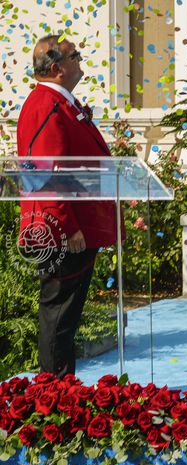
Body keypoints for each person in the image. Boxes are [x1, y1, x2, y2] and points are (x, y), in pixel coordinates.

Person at [16, 35, 117, 378]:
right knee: (58, 315)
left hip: (75, 226)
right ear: (57, 68)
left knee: (66, 317)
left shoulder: (62, 102)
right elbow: (42, 172)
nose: (81, 59)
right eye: (75, 55)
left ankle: (62, 388)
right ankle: (54, 394)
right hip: (62, 231)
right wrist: (66, 225)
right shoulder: (46, 104)